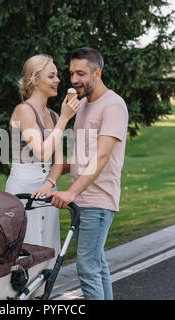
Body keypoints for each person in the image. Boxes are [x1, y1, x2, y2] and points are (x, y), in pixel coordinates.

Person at [50, 47, 129, 300]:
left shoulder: (113, 105)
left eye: (81, 73)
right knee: (97, 265)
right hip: (82, 200)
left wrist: (71, 192)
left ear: (97, 72)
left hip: (97, 201)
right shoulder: (82, 105)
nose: (74, 80)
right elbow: (79, 157)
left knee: (86, 268)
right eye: (72, 73)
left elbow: (102, 156)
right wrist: (50, 172)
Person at [5, 54, 80, 264]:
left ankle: (41, 296)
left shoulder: (54, 116)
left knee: (48, 251)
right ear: (35, 80)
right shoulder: (23, 111)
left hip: (47, 191)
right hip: (23, 189)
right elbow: (42, 153)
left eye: (57, 75)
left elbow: (56, 161)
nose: (58, 80)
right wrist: (66, 118)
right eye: (51, 76)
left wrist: (49, 184)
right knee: (26, 254)